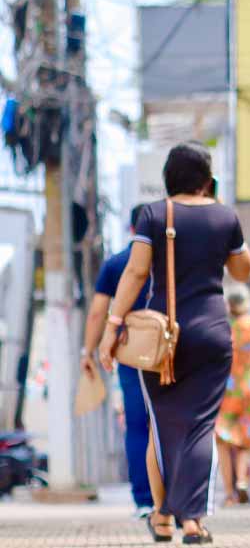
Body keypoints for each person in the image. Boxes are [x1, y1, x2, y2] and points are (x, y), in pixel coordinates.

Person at [99, 142, 250, 545]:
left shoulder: (154, 214)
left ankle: (164, 517)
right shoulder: (225, 216)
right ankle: (192, 522)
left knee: (162, 428)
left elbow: (135, 272)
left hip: (163, 341)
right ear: (208, 179)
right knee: (200, 428)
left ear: (168, 177)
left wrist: (113, 326)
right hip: (213, 334)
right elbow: (242, 269)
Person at [80, 204, 154, 519]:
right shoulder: (166, 261)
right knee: (168, 424)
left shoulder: (115, 264)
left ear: (131, 229)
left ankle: (144, 500)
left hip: (131, 352)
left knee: (137, 425)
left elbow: (98, 311)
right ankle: (176, 499)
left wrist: (89, 351)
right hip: (170, 351)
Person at [215, 290, 250, 506]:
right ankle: (242, 481)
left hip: (225, 390)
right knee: (246, 440)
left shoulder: (221, 328)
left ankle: (229, 493)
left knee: (223, 441)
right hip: (249, 388)